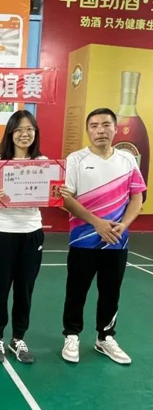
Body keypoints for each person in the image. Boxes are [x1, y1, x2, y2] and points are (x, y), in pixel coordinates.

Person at [60, 108, 146, 365]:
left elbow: (137, 197)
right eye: (94, 125)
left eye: (106, 124)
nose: (100, 130)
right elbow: (66, 198)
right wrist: (97, 223)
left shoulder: (127, 160)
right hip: (82, 240)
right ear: (88, 130)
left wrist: (124, 225)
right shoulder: (76, 159)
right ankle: (71, 335)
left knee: (111, 292)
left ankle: (105, 337)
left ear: (115, 129)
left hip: (117, 241)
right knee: (76, 291)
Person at [0, 110, 45, 364]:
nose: (24, 134)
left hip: (32, 232)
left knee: (25, 289)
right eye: (19, 129)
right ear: (10, 133)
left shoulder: (43, 162)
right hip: (3, 232)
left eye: (29, 129)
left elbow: (52, 195)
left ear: (35, 133)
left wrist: (57, 192)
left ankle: (18, 338)